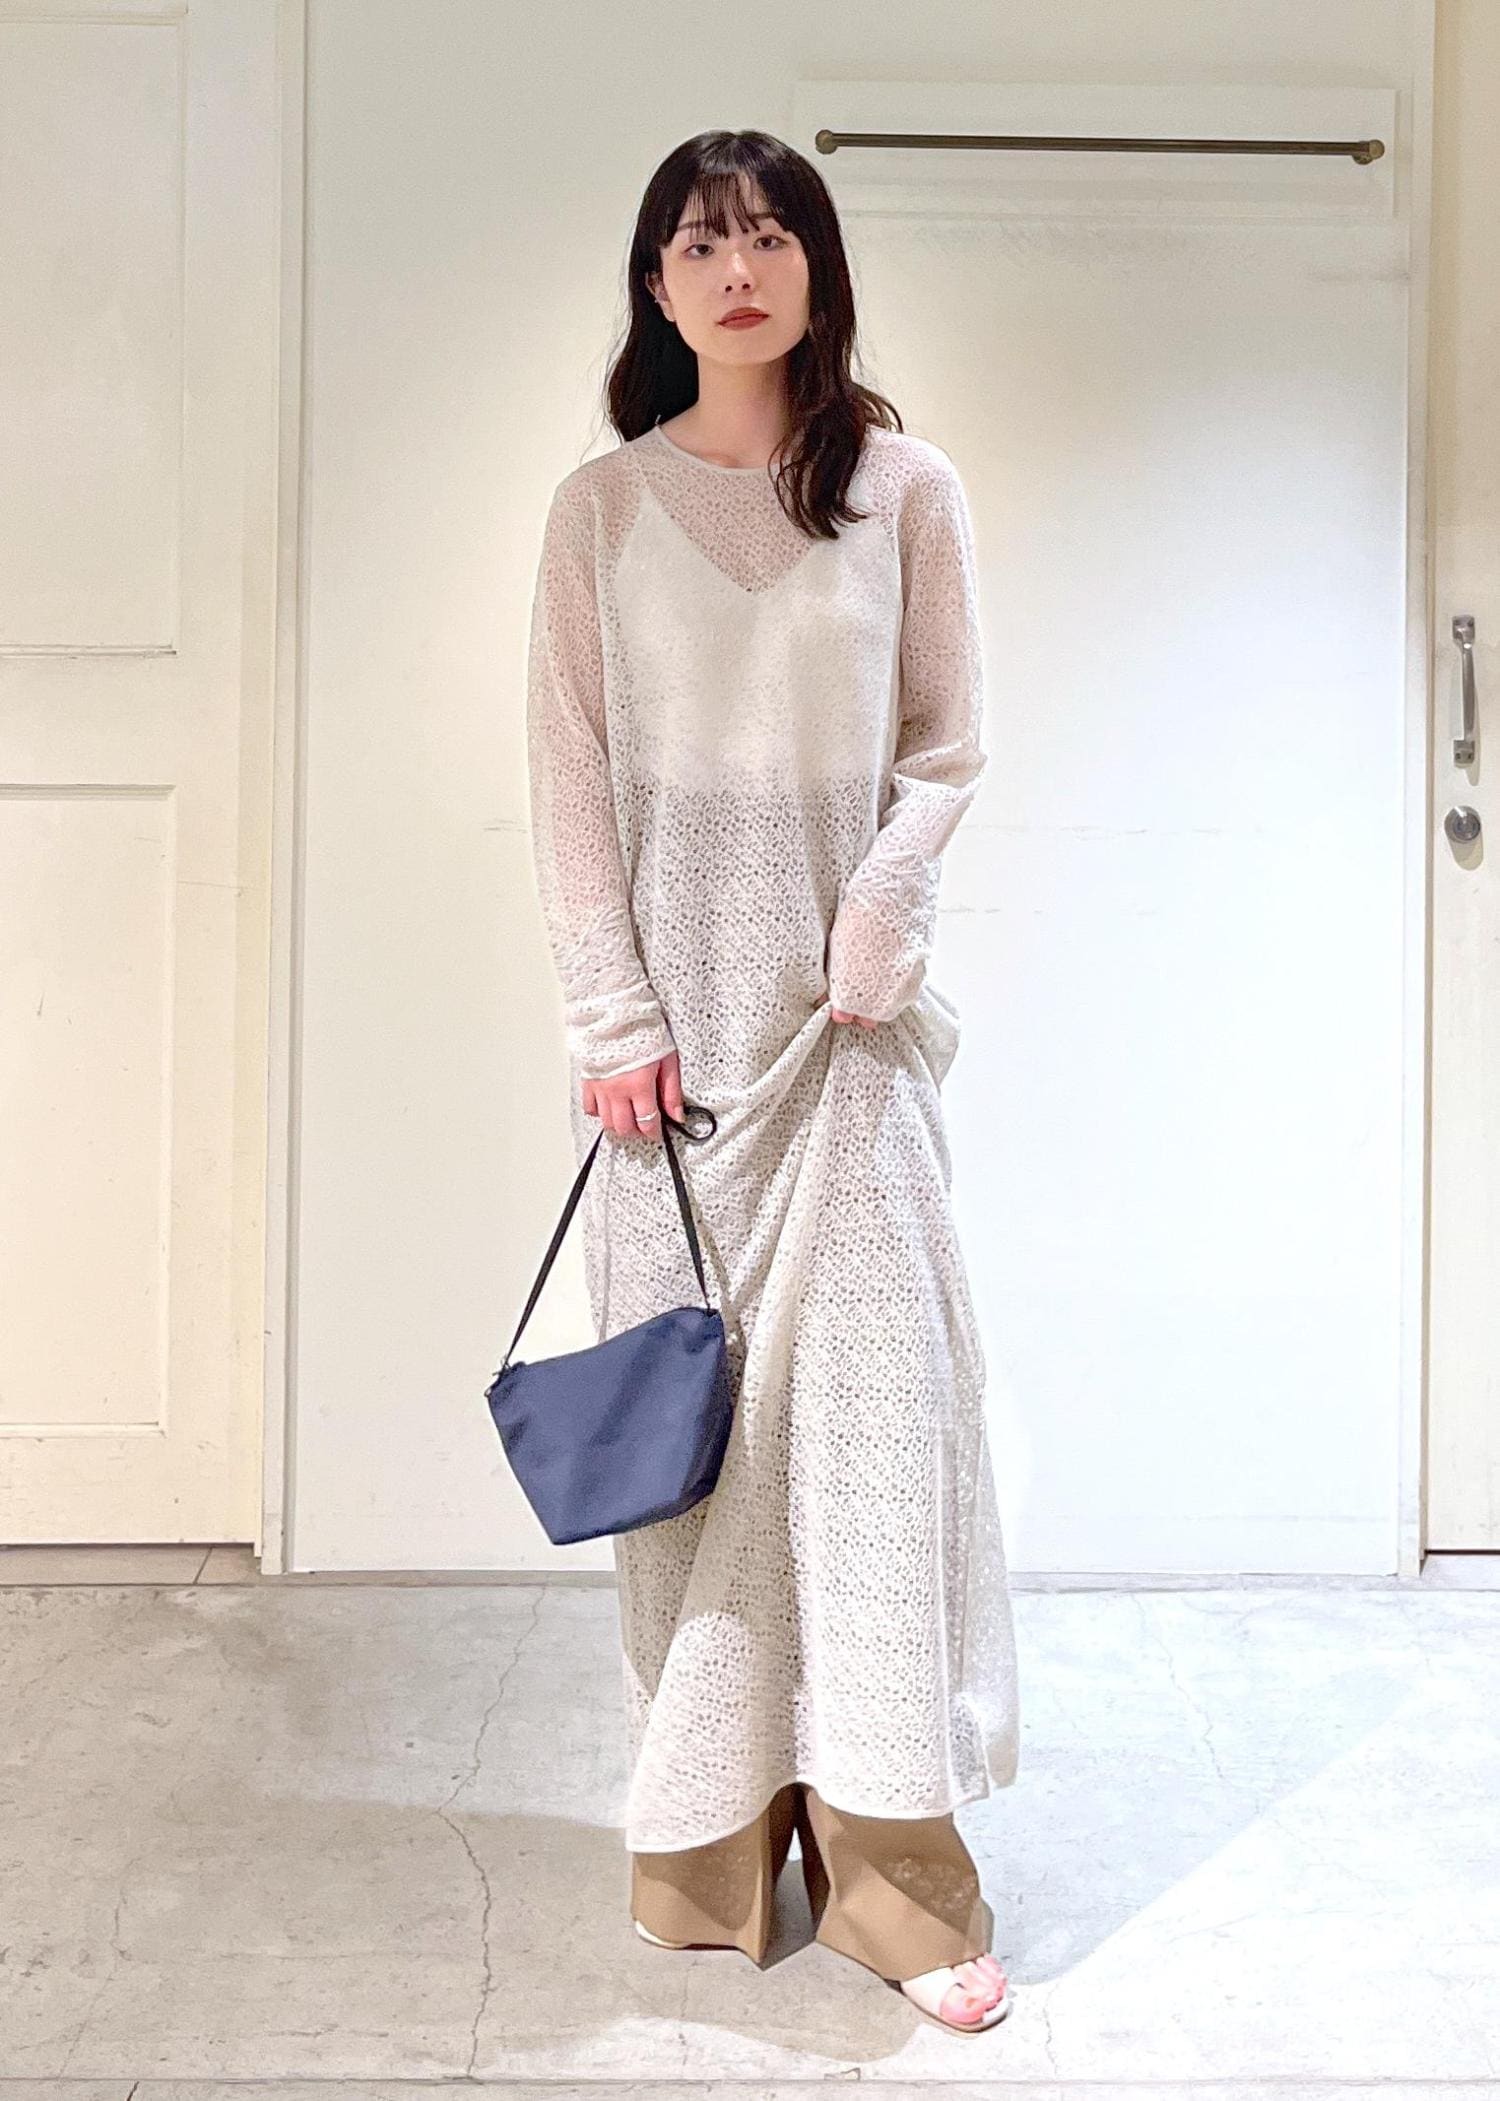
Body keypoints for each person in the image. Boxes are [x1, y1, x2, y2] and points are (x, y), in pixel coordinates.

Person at [523, 128, 1021, 2033]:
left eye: (767, 235)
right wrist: (612, 1020)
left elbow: (948, 745)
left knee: (877, 1455)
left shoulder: (905, 490)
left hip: (853, 1043)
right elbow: (570, 776)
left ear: (817, 266)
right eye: (697, 241)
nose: (736, 269)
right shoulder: (600, 509)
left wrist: (888, 901)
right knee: (700, 1470)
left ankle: (895, 1881)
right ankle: (713, 1852)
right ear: (656, 287)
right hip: (671, 1082)